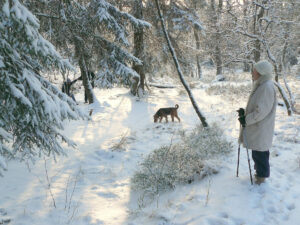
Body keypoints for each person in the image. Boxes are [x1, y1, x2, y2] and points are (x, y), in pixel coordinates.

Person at [238, 60, 277, 185]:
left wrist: (246, 120)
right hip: (259, 127)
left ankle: (261, 178)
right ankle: (260, 175)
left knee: (260, 154)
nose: (252, 73)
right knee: (258, 153)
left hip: (261, 127)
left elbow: (261, 112)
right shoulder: (262, 85)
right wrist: (244, 113)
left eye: (254, 71)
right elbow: (257, 106)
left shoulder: (266, 87)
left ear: (261, 72)